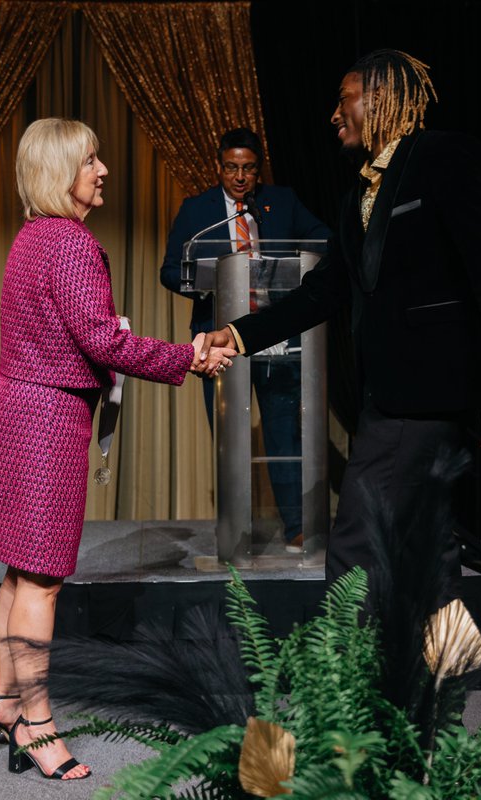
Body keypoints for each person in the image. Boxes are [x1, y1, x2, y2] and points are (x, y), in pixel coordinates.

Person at [199, 50, 481, 597]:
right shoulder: (357, 195)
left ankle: (345, 676)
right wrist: (237, 335)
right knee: (425, 545)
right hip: (385, 400)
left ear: (378, 99)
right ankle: (436, 671)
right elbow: (323, 291)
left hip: (429, 399)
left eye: (343, 99)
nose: (335, 114)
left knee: (355, 544)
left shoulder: (446, 157)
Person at [0, 118, 234, 781]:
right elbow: (106, 343)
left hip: (15, 411)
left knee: (17, 572)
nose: (103, 169)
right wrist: (192, 356)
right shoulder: (67, 243)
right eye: (90, 159)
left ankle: (5, 704)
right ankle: (37, 725)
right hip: (46, 425)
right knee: (41, 582)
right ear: (60, 171)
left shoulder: (33, 238)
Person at [160, 127, 330, 551]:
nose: (240, 176)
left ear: (259, 170)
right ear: (219, 167)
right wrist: (202, 283)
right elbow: (169, 270)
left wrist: (297, 268)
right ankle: (235, 531)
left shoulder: (282, 202)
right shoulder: (199, 211)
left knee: (282, 433)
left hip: (276, 339)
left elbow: (324, 241)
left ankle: (295, 526)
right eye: (232, 168)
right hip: (219, 341)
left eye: (248, 168)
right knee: (228, 434)